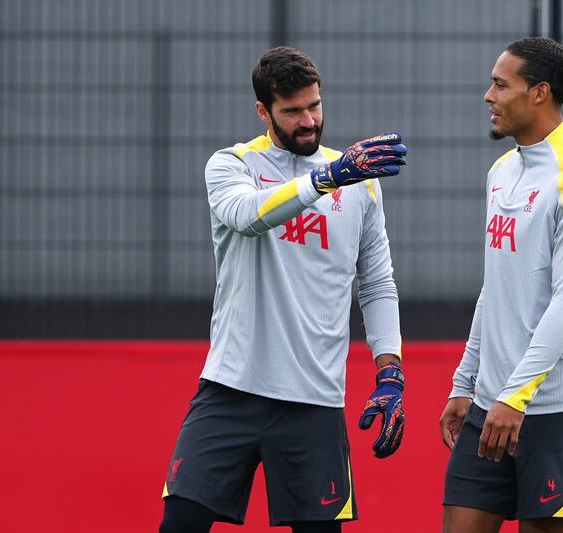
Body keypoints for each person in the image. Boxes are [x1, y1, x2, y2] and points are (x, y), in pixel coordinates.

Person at [159, 46, 407, 533]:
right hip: (230, 390)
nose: (309, 121)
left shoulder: (359, 181)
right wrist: (327, 179)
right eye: (292, 111)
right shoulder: (232, 165)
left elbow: (378, 283)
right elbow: (248, 216)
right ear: (263, 111)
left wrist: (390, 372)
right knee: (179, 525)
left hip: (315, 400)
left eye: (314, 105)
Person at [439, 37, 563, 533]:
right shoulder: (501, 171)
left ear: (539, 93)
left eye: (501, 85)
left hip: (561, 411)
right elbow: (495, 290)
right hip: (491, 404)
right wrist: (465, 384)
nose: (488, 96)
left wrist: (515, 398)